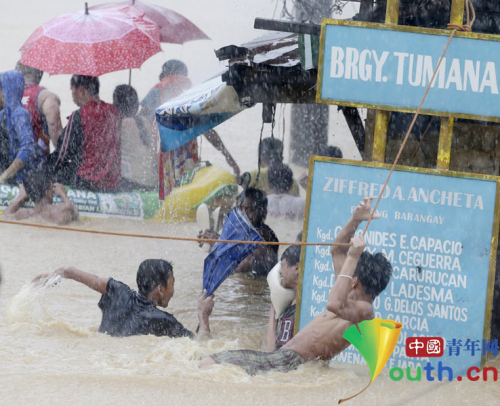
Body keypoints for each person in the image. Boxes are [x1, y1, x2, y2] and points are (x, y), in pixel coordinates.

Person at [199, 196, 392, 375]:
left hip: (291, 362)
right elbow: (337, 249)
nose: (345, 273)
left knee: (209, 364)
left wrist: (353, 256)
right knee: (206, 363)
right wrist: (355, 220)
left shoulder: (365, 311)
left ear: (355, 280)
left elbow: (334, 304)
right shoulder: (348, 295)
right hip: (283, 358)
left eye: (350, 274)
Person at [32, 259, 214, 338]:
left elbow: (71, 271)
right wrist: (203, 316)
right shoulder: (165, 321)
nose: (173, 289)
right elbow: (202, 346)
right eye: (172, 282)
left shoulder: (116, 291)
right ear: (160, 289)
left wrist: (51, 277)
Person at [49, 75, 121, 192]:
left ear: (81, 91)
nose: (72, 96)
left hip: (86, 181)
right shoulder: (114, 112)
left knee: (49, 171)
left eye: (72, 90)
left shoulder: (79, 114)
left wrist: (44, 168)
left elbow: (63, 153)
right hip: (111, 182)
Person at [198, 187, 279, 278]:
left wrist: (219, 244)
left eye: (249, 210)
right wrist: (213, 245)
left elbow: (239, 269)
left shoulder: (263, 236)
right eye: (240, 210)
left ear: (263, 212)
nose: (243, 215)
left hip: (257, 289)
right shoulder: (245, 233)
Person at [0, 70, 43, 184]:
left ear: (7, 90)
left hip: (20, 180)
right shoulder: (3, 114)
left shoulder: (20, 114)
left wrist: (4, 176)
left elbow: (28, 148)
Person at [113, 84, 156, 191]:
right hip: (152, 184)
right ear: (136, 105)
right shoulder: (147, 123)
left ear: (116, 105)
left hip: (131, 185)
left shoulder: (119, 125)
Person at [2, 167, 78, 225]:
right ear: (47, 191)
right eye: (52, 188)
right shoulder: (60, 210)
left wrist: (21, 197)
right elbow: (75, 213)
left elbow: (5, 215)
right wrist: (63, 194)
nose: (53, 192)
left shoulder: (24, 213)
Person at [16, 62, 63, 153]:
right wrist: (63, 155)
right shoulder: (46, 97)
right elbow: (53, 125)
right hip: (38, 161)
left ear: (19, 73)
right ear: (41, 74)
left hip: (10, 162)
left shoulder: (6, 96)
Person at [266, 245, 300, 351]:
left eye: (283, 266)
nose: (280, 271)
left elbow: (272, 352)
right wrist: (275, 304)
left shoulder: (297, 311)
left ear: (297, 268)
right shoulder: (292, 305)